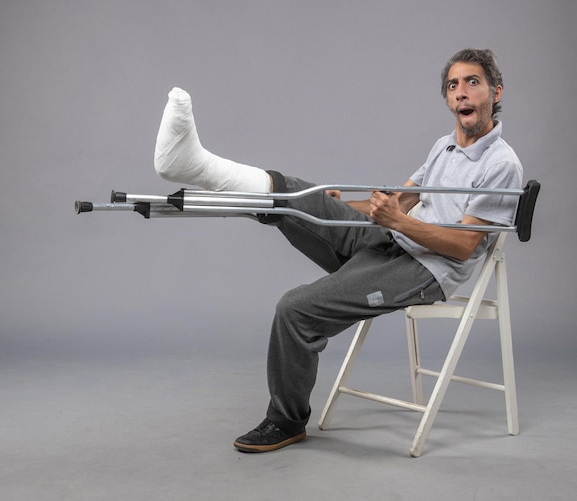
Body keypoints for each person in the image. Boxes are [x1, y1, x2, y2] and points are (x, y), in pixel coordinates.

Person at [153, 48, 523, 453]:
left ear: (495, 91)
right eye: (453, 85)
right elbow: (396, 203)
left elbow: (463, 244)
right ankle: (197, 169)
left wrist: (397, 221)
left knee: (295, 308)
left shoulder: (502, 165)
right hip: (387, 240)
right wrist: (340, 207)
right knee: (298, 193)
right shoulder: (442, 147)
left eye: (473, 82)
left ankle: (286, 421)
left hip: (423, 270)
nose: (461, 93)